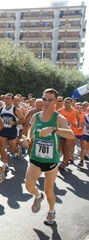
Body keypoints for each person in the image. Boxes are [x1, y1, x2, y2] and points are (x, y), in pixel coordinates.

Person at [25, 88, 74, 225]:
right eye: (44, 98)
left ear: (56, 102)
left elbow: (71, 135)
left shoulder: (58, 118)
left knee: (49, 190)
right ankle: (37, 195)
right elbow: (31, 129)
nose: (46, 101)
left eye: (50, 99)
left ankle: (51, 211)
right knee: (29, 186)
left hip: (51, 160)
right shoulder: (36, 116)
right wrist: (28, 138)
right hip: (35, 157)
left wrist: (53, 129)